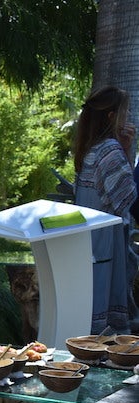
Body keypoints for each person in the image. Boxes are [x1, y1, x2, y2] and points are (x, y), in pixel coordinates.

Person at [72, 86, 138, 335]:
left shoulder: (90, 148)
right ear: (112, 116)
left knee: (89, 307)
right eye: (125, 111)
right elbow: (127, 197)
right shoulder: (109, 150)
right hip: (105, 243)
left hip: (87, 241)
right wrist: (125, 151)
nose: (128, 115)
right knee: (106, 323)